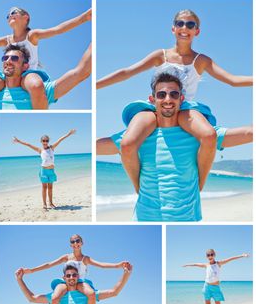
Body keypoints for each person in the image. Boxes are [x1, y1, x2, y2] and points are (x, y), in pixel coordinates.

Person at [97, 9, 252, 193]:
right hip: (156, 107)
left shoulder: (200, 60)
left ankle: (199, 186)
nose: (184, 28)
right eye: (180, 23)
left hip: (185, 108)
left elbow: (232, 80)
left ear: (197, 31)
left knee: (209, 135)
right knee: (127, 142)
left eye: (190, 24)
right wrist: (96, 86)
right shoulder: (160, 55)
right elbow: (127, 72)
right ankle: (140, 188)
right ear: (173, 29)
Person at [97, 72, 253, 221]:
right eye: (161, 94)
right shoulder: (139, 135)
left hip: (187, 219)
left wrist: (200, 182)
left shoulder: (197, 133)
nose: (168, 99)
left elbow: (248, 133)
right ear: (152, 100)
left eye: (174, 94)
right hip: (145, 217)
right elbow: (98, 146)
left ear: (181, 99)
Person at [22, 234, 129, 304]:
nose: (75, 243)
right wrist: (32, 270)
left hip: (81, 282)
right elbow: (49, 264)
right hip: (66, 282)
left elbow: (102, 265)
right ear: (70, 244)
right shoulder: (66, 257)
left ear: (82, 243)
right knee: (54, 298)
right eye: (72, 241)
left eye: (77, 240)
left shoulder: (85, 259)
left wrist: (118, 265)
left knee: (91, 294)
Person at [183, 249, 249, 304]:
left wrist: (242, 255)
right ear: (206, 256)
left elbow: (230, 259)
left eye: (211, 254)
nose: (210, 256)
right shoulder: (206, 265)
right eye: (208, 255)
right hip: (207, 287)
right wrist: (188, 265)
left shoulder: (219, 263)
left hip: (216, 288)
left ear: (214, 255)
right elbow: (196, 264)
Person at [13, 129, 76, 210]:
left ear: (48, 141)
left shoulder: (52, 148)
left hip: (51, 171)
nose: (45, 142)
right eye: (43, 140)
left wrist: (68, 134)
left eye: (46, 140)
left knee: (50, 188)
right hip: (44, 171)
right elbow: (28, 144)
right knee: (44, 188)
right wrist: (18, 141)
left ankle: (51, 203)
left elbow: (60, 140)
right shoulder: (40, 150)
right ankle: (44, 204)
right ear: (41, 141)